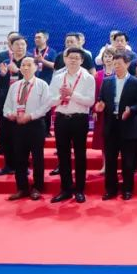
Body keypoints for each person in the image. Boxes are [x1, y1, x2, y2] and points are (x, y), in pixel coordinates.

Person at [95, 53, 137, 200]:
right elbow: (101, 99)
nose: (116, 67)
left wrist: (131, 110)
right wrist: (100, 105)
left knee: (128, 161)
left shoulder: (136, 83)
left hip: (128, 124)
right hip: (111, 125)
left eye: (119, 64)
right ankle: (110, 189)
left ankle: (127, 189)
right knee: (110, 160)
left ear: (127, 64)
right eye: (114, 64)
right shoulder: (107, 81)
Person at [50, 47, 95, 204]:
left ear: (82, 60)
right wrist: (60, 98)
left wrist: (72, 94)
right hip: (61, 119)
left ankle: (80, 190)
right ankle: (66, 189)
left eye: (77, 58)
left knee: (80, 155)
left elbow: (90, 101)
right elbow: (50, 100)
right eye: (71, 57)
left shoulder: (88, 78)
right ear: (65, 59)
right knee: (63, 155)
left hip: (79, 120)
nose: (73, 60)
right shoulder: (58, 78)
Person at [3, 56, 51, 201]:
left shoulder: (42, 85)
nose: (25, 67)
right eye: (23, 65)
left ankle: (37, 187)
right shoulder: (14, 86)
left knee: (37, 158)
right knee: (19, 158)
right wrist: (10, 114)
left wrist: (30, 116)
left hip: (35, 125)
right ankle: (22, 188)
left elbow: (46, 106)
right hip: (17, 125)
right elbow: (6, 106)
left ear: (36, 67)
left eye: (29, 65)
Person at [0, 35, 27, 175]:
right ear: (11, 47)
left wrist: (18, 71)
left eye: (23, 44)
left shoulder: (30, 62)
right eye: (17, 44)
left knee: (22, 135)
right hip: (5, 100)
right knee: (6, 133)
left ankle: (23, 166)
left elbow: (35, 79)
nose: (20, 47)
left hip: (24, 101)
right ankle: (8, 165)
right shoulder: (5, 62)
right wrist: (1, 74)